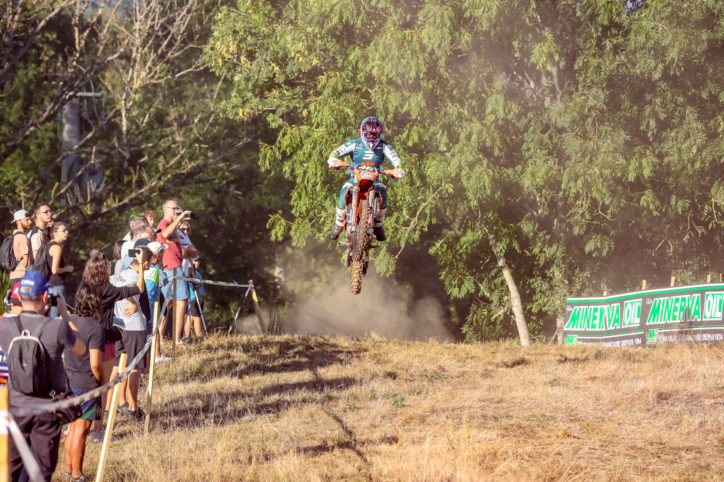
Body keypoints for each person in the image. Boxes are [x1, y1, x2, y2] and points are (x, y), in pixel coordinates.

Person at [0, 270, 85, 481]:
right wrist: (64, 314)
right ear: (46, 297)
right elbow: (81, 349)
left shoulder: (4, 326)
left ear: (19, 297)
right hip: (46, 409)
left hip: (14, 406)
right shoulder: (57, 327)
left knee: (11, 469)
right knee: (41, 471)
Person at [81, 251, 145, 442]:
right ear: (103, 270)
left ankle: (78, 423)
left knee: (83, 384)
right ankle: (98, 429)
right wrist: (141, 264)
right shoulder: (108, 290)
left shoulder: (83, 288)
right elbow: (139, 288)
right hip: (103, 339)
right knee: (104, 385)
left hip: (83, 337)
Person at [327, 116, 406, 241]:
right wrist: (334, 160)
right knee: (343, 193)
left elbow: (396, 160)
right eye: (369, 134)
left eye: (375, 135)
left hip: (375, 181)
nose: (372, 138)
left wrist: (398, 169)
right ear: (362, 132)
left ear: (380, 134)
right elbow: (336, 152)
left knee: (383, 193)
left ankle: (378, 225)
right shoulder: (355, 143)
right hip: (355, 179)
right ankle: (339, 223)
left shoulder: (384, 146)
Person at [63, 282, 104, 482]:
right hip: (87, 385)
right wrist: (102, 382)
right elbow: (96, 364)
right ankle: (77, 475)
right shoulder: (96, 329)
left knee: (73, 427)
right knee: (81, 429)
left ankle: (69, 470)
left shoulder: (69, 321)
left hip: (68, 380)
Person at [108, 247, 150, 420]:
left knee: (119, 367)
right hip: (133, 326)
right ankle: (132, 407)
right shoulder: (134, 276)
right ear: (144, 262)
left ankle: (118, 403)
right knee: (134, 367)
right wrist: (133, 302)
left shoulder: (119, 273)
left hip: (119, 325)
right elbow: (135, 288)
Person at [156, 199, 197, 345]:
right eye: (174, 208)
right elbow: (165, 234)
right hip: (171, 269)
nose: (176, 211)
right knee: (179, 304)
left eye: (177, 209)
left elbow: (193, 251)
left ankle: (165, 340)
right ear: (166, 209)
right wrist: (179, 217)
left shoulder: (175, 228)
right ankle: (176, 340)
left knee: (171, 305)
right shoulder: (163, 224)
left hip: (175, 268)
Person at [46, 221, 74, 317]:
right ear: (55, 233)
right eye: (64, 230)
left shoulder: (47, 245)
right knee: (56, 315)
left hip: (48, 283)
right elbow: (55, 270)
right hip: (56, 284)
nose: (67, 232)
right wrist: (67, 268)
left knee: (53, 314)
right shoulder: (56, 247)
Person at [8, 209, 34, 287]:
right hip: (22, 276)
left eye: (30, 219)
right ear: (18, 221)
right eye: (27, 220)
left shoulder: (13, 235)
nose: (30, 222)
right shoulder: (22, 237)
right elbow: (26, 260)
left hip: (13, 275)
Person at [185, 257, 205, 340]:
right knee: (197, 318)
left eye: (198, 261)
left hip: (198, 297)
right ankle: (198, 337)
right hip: (194, 297)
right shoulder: (190, 273)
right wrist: (199, 297)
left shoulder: (197, 273)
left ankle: (186, 337)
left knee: (192, 317)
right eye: (195, 261)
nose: (197, 263)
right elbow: (194, 286)